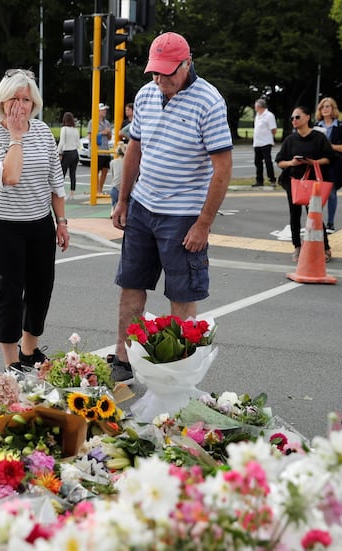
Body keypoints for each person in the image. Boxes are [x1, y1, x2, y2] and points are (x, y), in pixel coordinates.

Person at [111, 32, 233, 384]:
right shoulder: (147, 94)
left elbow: (222, 168)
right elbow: (134, 148)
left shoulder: (209, 101)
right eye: (155, 72)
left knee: (181, 294)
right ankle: (123, 356)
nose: (161, 80)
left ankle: (176, 366)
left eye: (168, 73)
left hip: (183, 215)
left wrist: (203, 224)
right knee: (130, 286)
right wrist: (123, 200)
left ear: (187, 62)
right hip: (143, 207)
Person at [0, 68, 69, 371]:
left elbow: (56, 180)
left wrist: (62, 221)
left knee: (41, 288)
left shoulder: (43, 132)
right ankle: (12, 360)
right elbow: (10, 176)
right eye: (13, 99)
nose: (20, 106)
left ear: (35, 104)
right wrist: (15, 137)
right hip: (2, 226)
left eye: (26, 99)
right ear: (1, 102)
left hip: (39, 222)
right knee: (9, 292)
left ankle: (30, 350)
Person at [274, 105, 335, 263]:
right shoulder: (290, 139)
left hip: (313, 183)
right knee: (294, 215)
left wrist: (313, 162)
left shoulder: (318, 137)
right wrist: (292, 163)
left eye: (297, 117)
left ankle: (325, 248)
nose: (294, 120)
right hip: (293, 182)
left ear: (307, 117)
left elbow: (329, 158)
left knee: (314, 215)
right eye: (292, 118)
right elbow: (280, 162)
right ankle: (297, 247)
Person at [315, 97, 342, 232]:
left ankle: (330, 223)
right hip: (320, 164)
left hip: (335, 165)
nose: (325, 109)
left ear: (333, 109)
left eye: (328, 106)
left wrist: (331, 147)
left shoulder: (340, 126)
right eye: (322, 107)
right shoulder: (316, 126)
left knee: (331, 193)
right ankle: (317, 222)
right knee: (318, 194)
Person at [252, 99, 277, 187]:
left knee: (268, 161)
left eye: (256, 106)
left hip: (266, 142)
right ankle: (259, 180)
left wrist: (272, 139)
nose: (255, 107)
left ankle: (272, 179)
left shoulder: (269, 115)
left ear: (259, 106)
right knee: (257, 162)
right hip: (257, 142)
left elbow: (273, 129)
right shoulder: (257, 115)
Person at [57, 111, 79, 201]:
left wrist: (59, 152)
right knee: (72, 174)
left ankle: (61, 192)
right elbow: (78, 143)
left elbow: (62, 142)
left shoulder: (64, 129)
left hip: (67, 152)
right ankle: (72, 193)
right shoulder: (75, 130)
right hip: (75, 152)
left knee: (62, 173)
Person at [96, 103, 112, 194]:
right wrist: (102, 132)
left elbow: (109, 138)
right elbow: (90, 136)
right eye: (103, 110)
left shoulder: (107, 123)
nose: (104, 111)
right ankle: (97, 189)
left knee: (105, 170)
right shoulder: (93, 122)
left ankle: (100, 189)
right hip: (98, 150)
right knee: (96, 171)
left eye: (105, 110)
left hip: (106, 150)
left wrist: (108, 133)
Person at [108, 142, 127, 214]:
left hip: (115, 190)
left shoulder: (113, 162)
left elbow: (113, 176)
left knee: (114, 186)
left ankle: (113, 209)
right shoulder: (129, 162)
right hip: (127, 190)